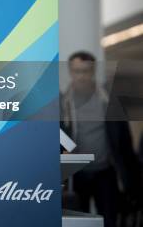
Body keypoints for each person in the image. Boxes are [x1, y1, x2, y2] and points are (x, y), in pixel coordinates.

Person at [61, 51, 142, 227]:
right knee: (78, 222)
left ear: (94, 71)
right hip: (77, 174)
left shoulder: (108, 101)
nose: (81, 76)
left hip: (106, 173)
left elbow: (124, 142)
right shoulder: (62, 103)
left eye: (86, 71)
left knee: (109, 220)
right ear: (70, 72)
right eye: (77, 71)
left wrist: (133, 181)